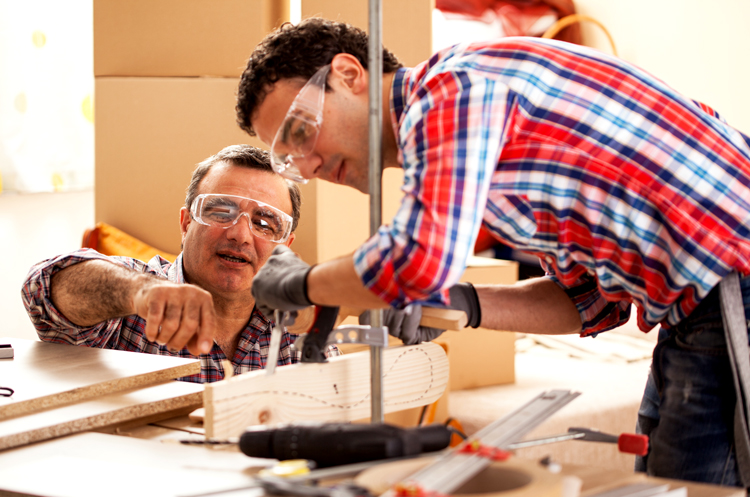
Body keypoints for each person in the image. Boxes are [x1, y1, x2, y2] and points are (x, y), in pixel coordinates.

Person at [235, 18, 750, 487]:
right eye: (288, 159)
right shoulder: (493, 142)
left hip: (731, 276)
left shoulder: (452, 90)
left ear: (349, 75)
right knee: (658, 483)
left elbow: (417, 259)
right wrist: (463, 302)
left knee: (685, 487)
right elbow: (591, 304)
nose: (310, 163)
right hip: (700, 300)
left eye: (300, 132)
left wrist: (304, 283)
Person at [22, 144, 325, 383]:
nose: (240, 234)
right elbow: (42, 288)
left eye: (264, 223)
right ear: (185, 224)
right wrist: (140, 293)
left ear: (285, 247)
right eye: (220, 212)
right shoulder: (131, 305)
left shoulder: (295, 326)